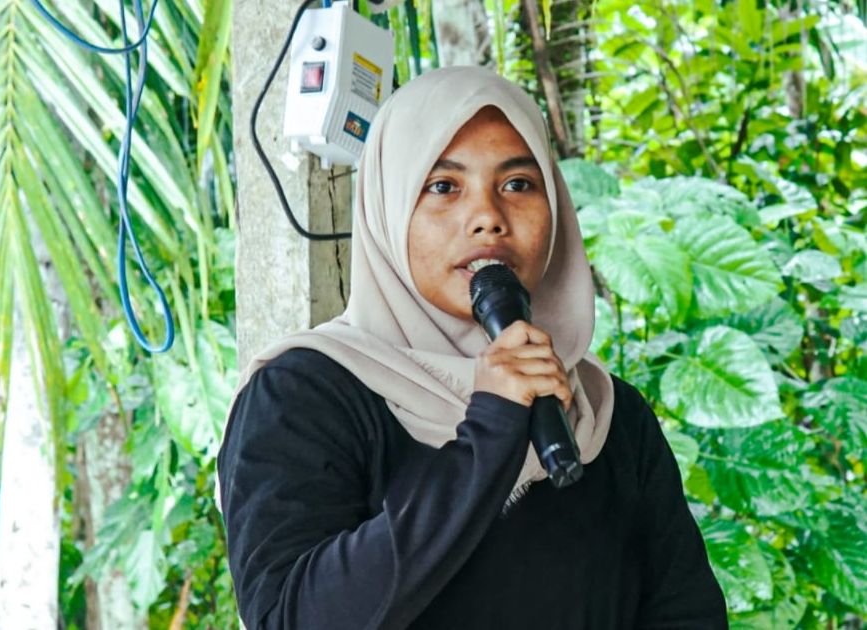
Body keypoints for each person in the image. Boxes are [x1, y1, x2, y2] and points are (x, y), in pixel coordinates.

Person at [218, 66, 727, 630]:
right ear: (388, 205)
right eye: (443, 187)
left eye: (518, 184)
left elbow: (688, 614)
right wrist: (492, 427)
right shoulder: (302, 395)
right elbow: (292, 617)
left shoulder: (607, 414)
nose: (488, 218)